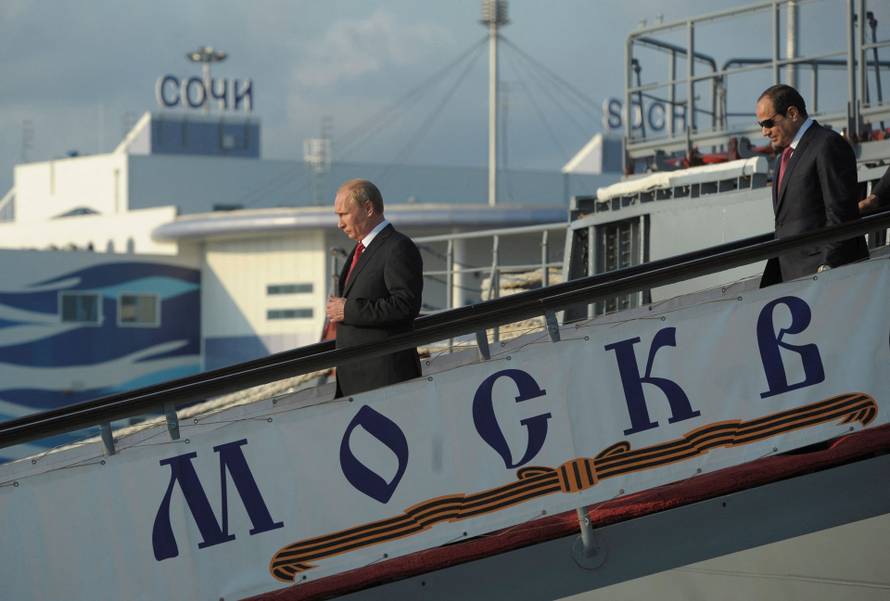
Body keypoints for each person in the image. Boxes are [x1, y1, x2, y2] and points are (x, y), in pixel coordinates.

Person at [756, 84, 868, 287]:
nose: (764, 132)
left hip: (826, 278)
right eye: (760, 125)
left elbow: (840, 214)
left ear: (792, 113)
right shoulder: (785, 157)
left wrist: (828, 267)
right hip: (795, 277)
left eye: (769, 123)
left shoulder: (827, 144)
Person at [326, 179, 423, 397]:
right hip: (358, 381)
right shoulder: (360, 250)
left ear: (368, 208)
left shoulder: (397, 247)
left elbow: (405, 305)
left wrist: (347, 310)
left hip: (386, 381)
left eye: (343, 214)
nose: (339, 224)